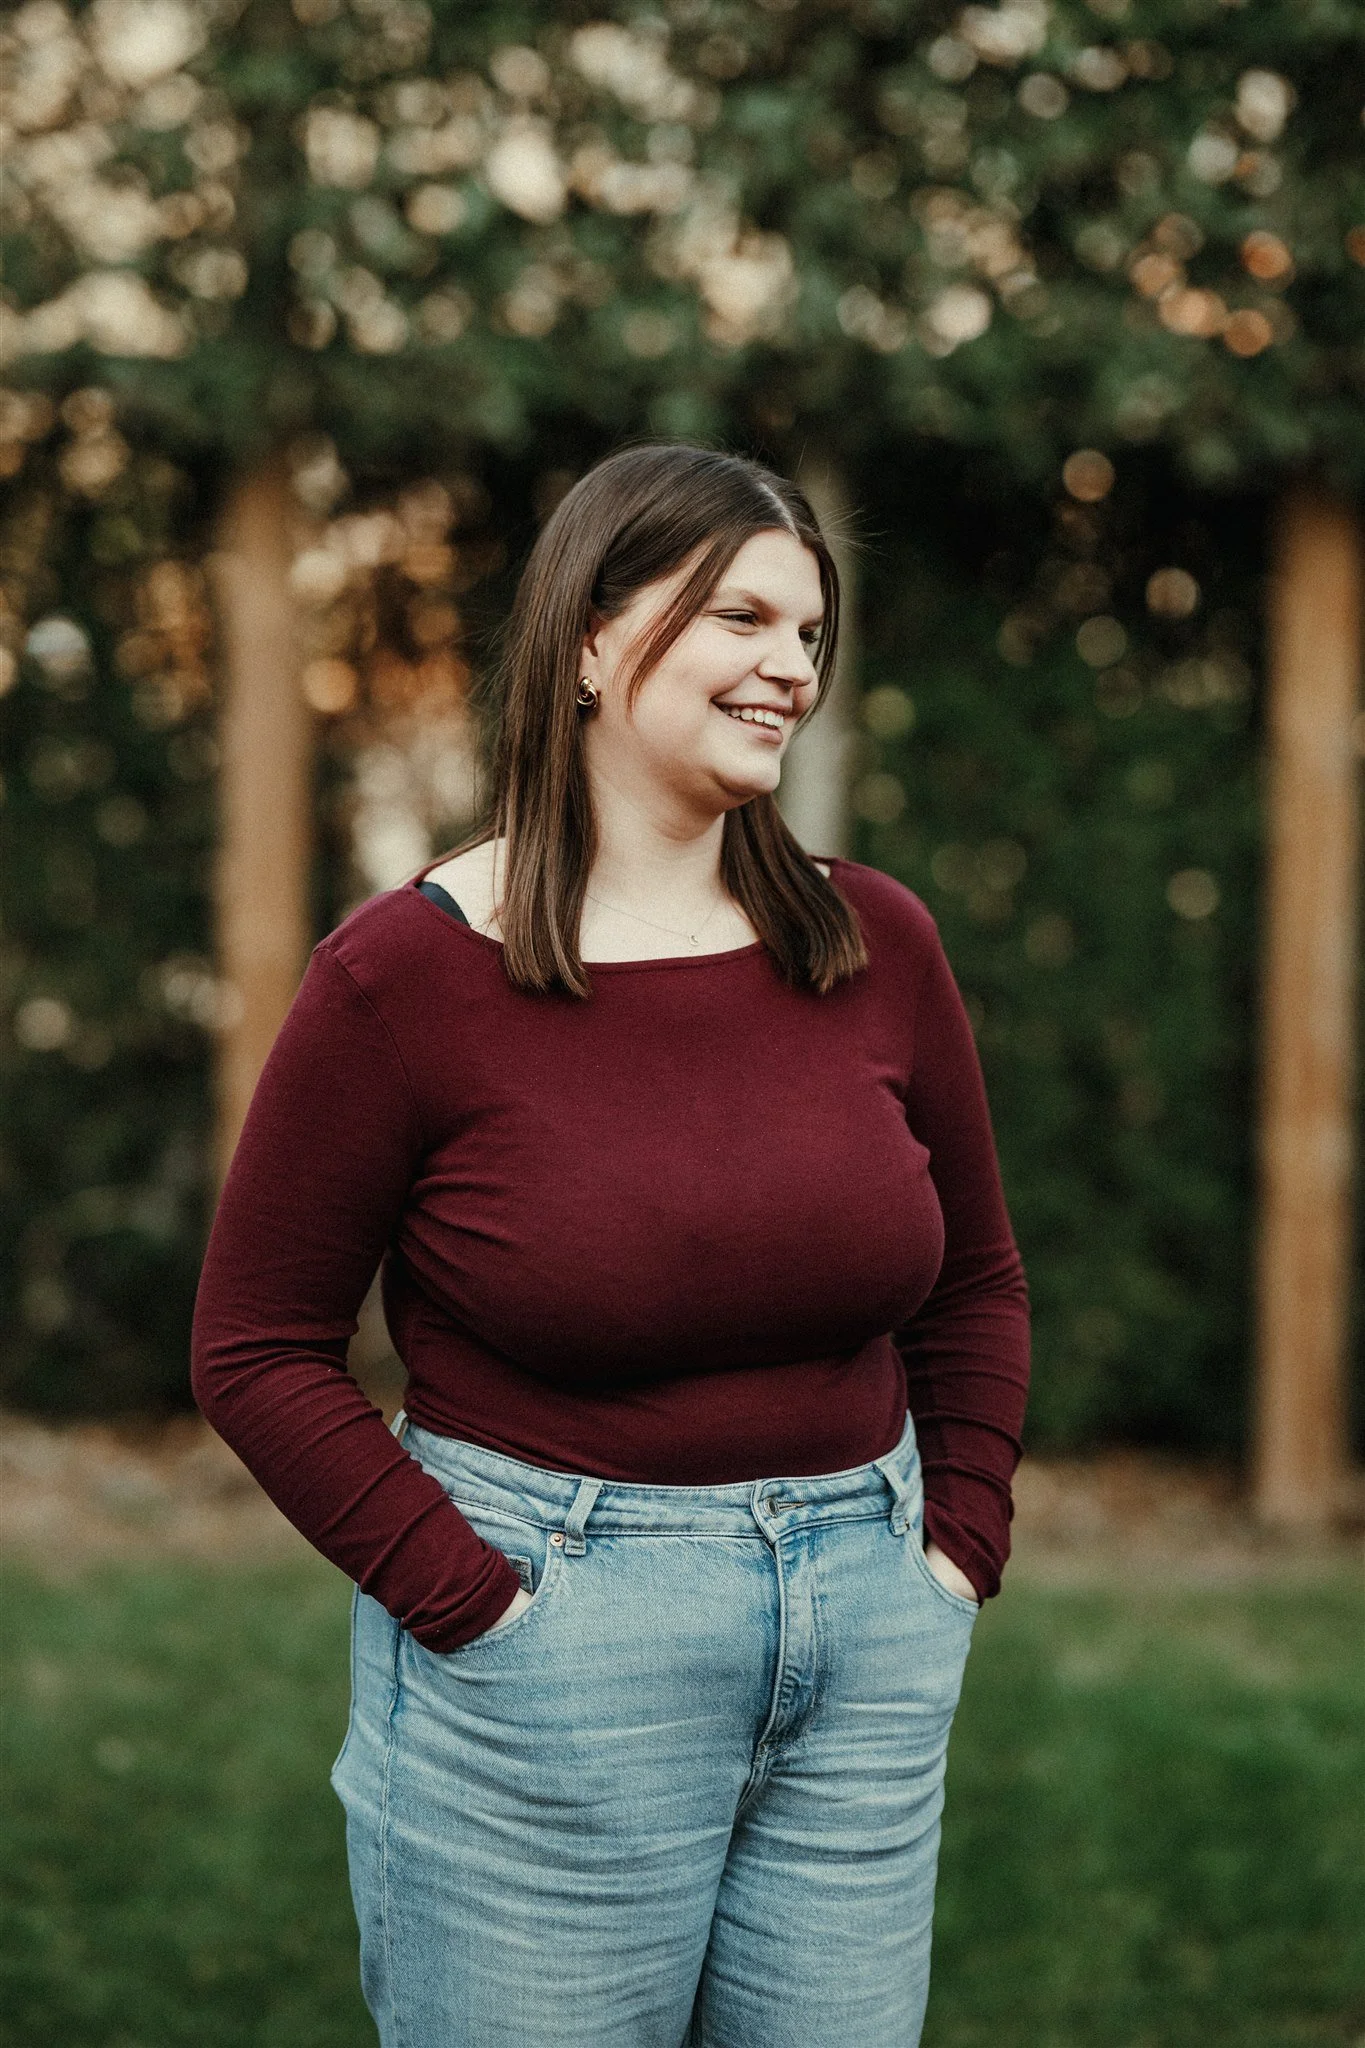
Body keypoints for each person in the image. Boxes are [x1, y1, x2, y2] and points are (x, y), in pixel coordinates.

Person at [190, 441, 1030, 2048]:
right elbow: (253, 1348)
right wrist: (478, 1611)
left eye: (807, 633)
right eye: (739, 619)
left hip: (867, 1631)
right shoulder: (404, 982)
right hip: (549, 1642)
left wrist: (955, 1551)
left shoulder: (876, 944)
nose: (788, 666)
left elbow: (979, 1281)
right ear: (588, 636)